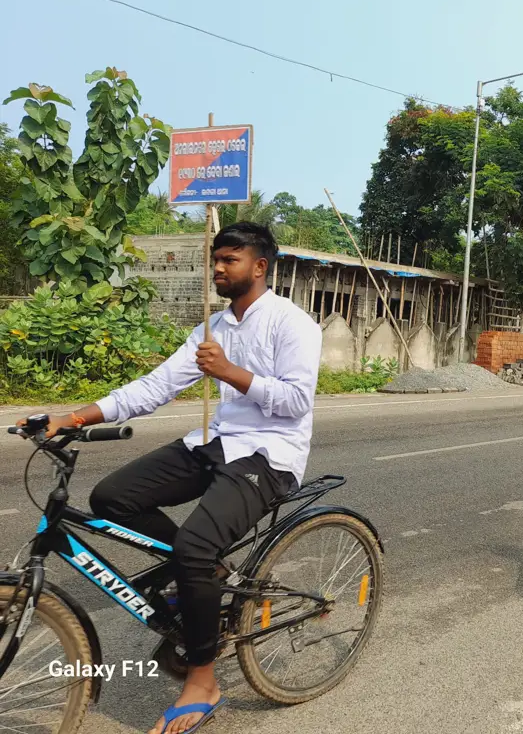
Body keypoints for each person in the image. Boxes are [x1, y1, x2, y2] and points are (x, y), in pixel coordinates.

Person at [21, 223, 322, 734]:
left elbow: (296, 402)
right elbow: (155, 386)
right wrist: (72, 418)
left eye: (231, 259)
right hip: (217, 441)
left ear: (260, 266)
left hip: (270, 454)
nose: (219, 268)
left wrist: (230, 373)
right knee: (113, 497)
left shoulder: (293, 324)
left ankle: (203, 679)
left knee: (195, 551)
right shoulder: (215, 328)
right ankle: (204, 577)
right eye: (217, 259)